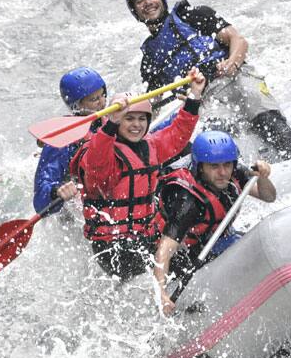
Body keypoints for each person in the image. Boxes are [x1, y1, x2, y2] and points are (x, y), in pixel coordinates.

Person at [123, 0, 291, 160]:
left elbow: (238, 40)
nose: (148, 2)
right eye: (140, 0)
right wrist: (128, 120)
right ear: (135, 10)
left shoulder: (193, 15)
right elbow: (152, 102)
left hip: (237, 77)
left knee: (268, 121)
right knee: (220, 142)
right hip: (208, 99)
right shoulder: (150, 58)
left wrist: (231, 63)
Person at [69, 70, 207, 279]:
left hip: (145, 238)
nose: (136, 125)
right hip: (111, 248)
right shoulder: (102, 150)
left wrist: (194, 96)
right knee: (157, 273)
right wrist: (112, 123)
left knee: (188, 266)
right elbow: (97, 167)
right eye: (129, 119)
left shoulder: (151, 145)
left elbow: (178, 134)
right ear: (116, 122)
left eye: (142, 119)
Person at [152, 130, 276, 315]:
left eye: (227, 165)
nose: (222, 172)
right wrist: (161, 293)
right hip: (185, 254)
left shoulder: (235, 173)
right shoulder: (188, 202)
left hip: (215, 239)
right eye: (214, 166)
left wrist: (263, 177)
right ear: (200, 167)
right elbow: (164, 250)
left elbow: (269, 196)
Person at [32, 67, 107, 215]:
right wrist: (56, 191)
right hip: (74, 207)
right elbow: (40, 198)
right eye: (94, 99)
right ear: (76, 105)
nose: (101, 102)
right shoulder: (63, 141)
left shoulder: (111, 123)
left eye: (102, 95)